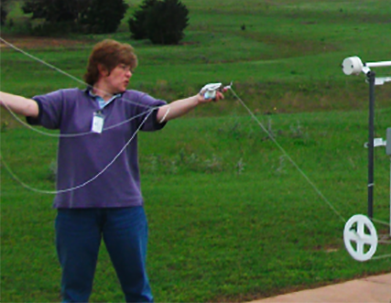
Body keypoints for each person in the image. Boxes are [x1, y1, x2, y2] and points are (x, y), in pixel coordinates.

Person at [0, 39, 224, 303]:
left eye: (130, 68)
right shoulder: (68, 100)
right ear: (102, 69)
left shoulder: (133, 102)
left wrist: (197, 99)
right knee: (74, 292)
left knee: (137, 290)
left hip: (124, 210)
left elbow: (162, 112)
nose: (129, 74)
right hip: (75, 212)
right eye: (123, 67)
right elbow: (30, 107)